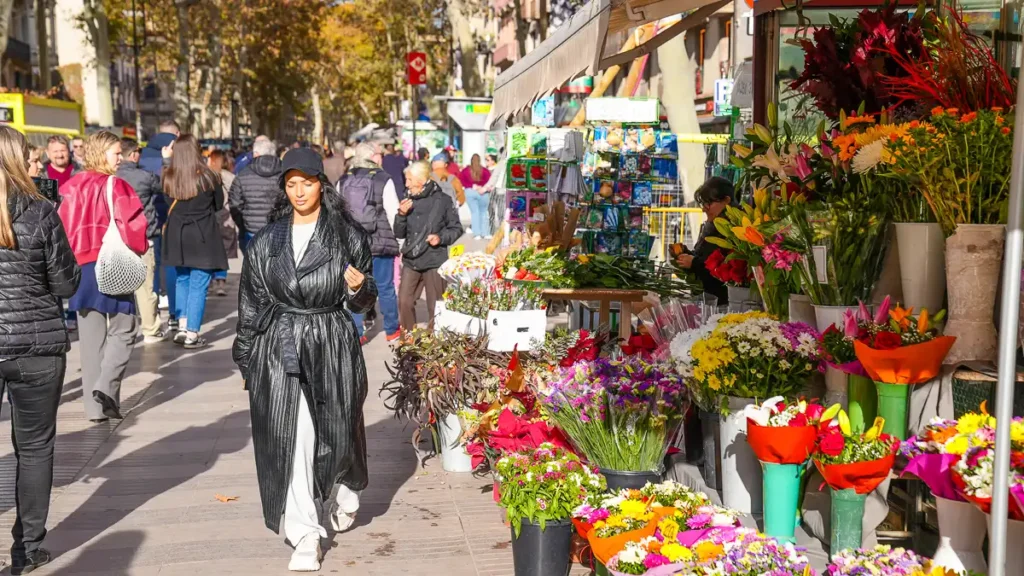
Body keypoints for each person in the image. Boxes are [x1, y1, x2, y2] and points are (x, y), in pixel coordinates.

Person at [232, 148, 377, 572]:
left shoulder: (346, 235)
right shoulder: (265, 241)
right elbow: (252, 304)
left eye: (307, 183)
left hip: (331, 340)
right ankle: (304, 532)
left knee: (338, 428)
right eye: (291, 184)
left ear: (321, 184)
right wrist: (246, 359)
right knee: (291, 438)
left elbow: (365, 302)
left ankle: (345, 484)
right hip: (279, 346)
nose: (299, 191)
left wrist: (357, 289)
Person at [0, 126, 81, 575]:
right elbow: (66, 282)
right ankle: (27, 548)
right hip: (37, 347)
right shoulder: (41, 211)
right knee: (33, 449)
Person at [58, 131, 148, 423]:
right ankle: (106, 386)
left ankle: (93, 409)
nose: (120, 158)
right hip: (110, 263)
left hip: (79, 267)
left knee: (90, 338)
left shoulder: (70, 186)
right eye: (116, 152)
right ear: (101, 153)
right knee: (126, 325)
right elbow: (134, 225)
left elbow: (60, 227)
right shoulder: (116, 186)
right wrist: (141, 248)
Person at [162, 135, 229, 349]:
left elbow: (165, 203)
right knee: (199, 283)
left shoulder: (168, 176)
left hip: (177, 236)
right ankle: (192, 332)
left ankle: (182, 327)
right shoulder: (209, 176)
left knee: (183, 279)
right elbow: (218, 204)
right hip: (202, 234)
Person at [340, 142, 401, 343]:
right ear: (373, 157)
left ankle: (357, 333)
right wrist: (399, 241)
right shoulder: (384, 179)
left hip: (353, 244)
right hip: (380, 242)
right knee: (385, 287)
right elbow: (393, 213)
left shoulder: (343, 180)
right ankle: (392, 330)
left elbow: (337, 213)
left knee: (355, 288)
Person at [395, 161, 463, 332]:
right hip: (412, 259)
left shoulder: (443, 201)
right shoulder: (408, 199)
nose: (407, 184)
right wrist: (401, 215)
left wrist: (440, 238)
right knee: (404, 301)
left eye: (410, 180)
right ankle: (409, 339)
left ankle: (435, 343)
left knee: (435, 306)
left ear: (422, 180)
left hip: (434, 258)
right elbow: (399, 233)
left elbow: (456, 228)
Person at [116, 137, 166, 344]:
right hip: (144, 237)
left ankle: (121, 328)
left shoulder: (111, 177)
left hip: (118, 238)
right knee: (145, 288)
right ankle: (150, 329)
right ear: (133, 154)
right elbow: (163, 186)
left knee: (120, 286)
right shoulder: (145, 177)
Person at [140, 120, 180, 326]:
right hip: (174, 218)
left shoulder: (142, 156)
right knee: (172, 266)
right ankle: (175, 313)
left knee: (151, 268)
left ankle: (151, 314)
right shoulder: (179, 155)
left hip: (148, 220)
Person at [674, 176, 735, 305]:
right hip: (707, 299)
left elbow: (728, 270)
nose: (704, 209)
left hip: (723, 302)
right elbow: (705, 257)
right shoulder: (712, 225)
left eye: (709, 203)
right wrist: (687, 256)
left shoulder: (735, 228)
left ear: (726, 201)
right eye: (703, 204)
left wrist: (695, 263)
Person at [229, 137, 282, 253]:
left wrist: (243, 226)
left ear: (256, 154)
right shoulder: (284, 174)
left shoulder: (243, 175)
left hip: (250, 232)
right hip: (278, 231)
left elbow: (234, 205)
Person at [207, 150, 238, 296]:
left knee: (210, 251)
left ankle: (211, 281)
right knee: (223, 253)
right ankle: (221, 282)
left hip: (211, 218)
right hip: (227, 218)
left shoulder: (205, 176)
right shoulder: (230, 177)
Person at [459, 154, 492, 239]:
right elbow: (490, 181)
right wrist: (482, 186)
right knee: (484, 212)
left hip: (470, 192)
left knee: (474, 213)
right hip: (483, 192)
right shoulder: (485, 171)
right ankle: (486, 233)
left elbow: (461, 180)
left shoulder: (465, 171)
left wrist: (472, 185)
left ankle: (477, 234)